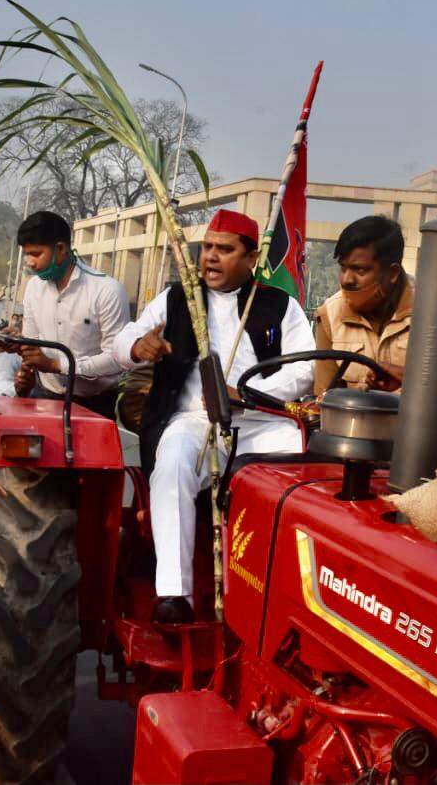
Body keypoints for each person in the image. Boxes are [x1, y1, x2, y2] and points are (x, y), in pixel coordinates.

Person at [113, 209, 314, 624]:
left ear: (250, 257)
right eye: (207, 247)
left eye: (225, 250)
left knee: (306, 476)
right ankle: (174, 594)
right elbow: (126, 338)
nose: (210, 258)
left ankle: (284, 594)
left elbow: (304, 370)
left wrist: (250, 394)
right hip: (193, 421)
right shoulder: (176, 297)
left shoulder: (280, 304)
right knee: (171, 465)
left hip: (261, 422)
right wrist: (139, 347)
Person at [313, 216, 437, 468]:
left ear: (393, 272)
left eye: (360, 270)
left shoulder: (434, 310)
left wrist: (413, 377)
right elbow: (324, 397)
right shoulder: (329, 315)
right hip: (356, 441)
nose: (347, 280)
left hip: (430, 440)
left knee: (430, 496)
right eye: (343, 268)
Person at [13, 211, 130, 418]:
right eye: (27, 255)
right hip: (45, 396)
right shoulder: (33, 288)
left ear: (61, 249)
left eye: (37, 254)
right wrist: (19, 348)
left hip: (94, 404)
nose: (30, 262)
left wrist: (56, 365)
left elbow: (117, 359)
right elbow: (32, 344)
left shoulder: (107, 291)